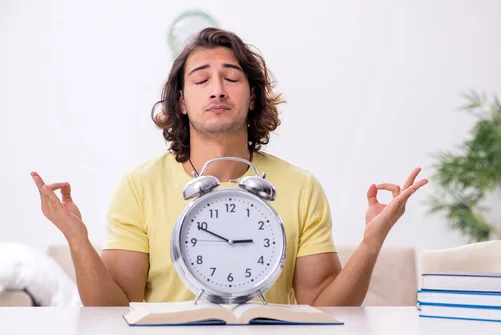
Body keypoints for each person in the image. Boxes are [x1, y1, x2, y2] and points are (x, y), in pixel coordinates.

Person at [31, 27, 427, 307]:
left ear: (252, 97)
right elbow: (113, 308)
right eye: (201, 80)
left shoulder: (301, 186)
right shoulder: (140, 186)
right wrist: (76, 237)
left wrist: (372, 241)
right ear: (182, 102)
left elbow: (325, 306)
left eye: (231, 78)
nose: (217, 89)